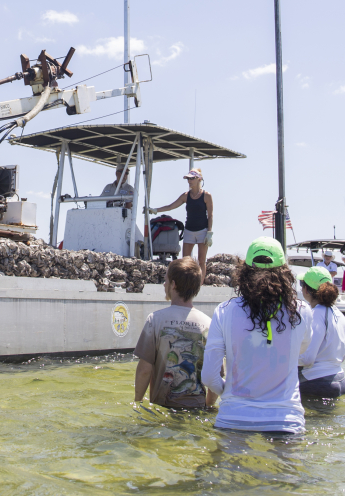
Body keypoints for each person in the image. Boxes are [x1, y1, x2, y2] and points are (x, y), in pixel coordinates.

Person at [201, 237, 312, 433]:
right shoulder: (302, 311)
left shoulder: (225, 311)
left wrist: (230, 393)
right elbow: (301, 354)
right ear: (285, 272)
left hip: (233, 418)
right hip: (285, 421)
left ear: (244, 272)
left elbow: (209, 376)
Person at [133, 257, 213, 408]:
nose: (164, 284)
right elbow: (216, 376)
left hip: (164, 409)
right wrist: (208, 406)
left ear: (173, 284)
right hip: (197, 411)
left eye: (166, 279)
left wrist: (137, 402)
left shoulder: (155, 320)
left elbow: (144, 370)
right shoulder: (209, 324)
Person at [148, 169, 215, 276]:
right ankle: (186, 285)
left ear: (199, 179)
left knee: (201, 260)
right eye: (188, 178)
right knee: (185, 261)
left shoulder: (206, 195)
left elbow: (210, 215)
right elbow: (170, 206)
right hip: (189, 231)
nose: (189, 181)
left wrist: (209, 233)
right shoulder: (185, 196)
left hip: (203, 231)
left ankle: (199, 285)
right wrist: (155, 210)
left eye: (192, 178)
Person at [297, 266, 345, 398]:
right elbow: (342, 357)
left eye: (302, 284)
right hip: (340, 380)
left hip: (317, 383)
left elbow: (307, 359)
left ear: (306, 290)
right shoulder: (340, 315)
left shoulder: (314, 314)